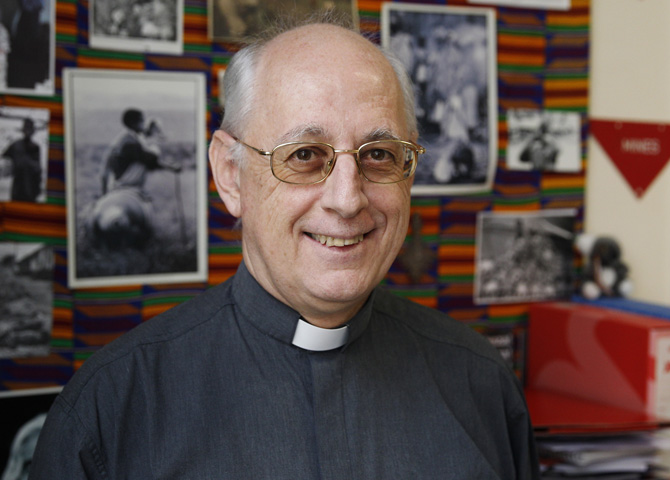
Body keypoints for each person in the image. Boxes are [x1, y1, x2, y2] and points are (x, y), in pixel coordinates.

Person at [30, 14, 540, 479]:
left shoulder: (481, 385)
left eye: (379, 154)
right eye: (304, 155)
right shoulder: (113, 408)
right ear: (231, 175)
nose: (347, 199)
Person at [87, 107, 176, 249]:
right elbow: (149, 159)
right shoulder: (130, 142)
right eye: (142, 120)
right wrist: (155, 144)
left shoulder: (131, 139)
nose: (144, 123)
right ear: (134, 123)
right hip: (126, 186)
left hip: (126, 186)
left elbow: (146, 161)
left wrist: (170, 167)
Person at [1, 118, 42, 202]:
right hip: (18, 187)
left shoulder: (35, 147)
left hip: (30, 189)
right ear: (23, 130)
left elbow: (38, 170)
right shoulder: (15, 145)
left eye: (29, 129)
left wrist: (37, 188)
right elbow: (4, 157)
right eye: (26, 129)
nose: (27, 132)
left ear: (32, 132)